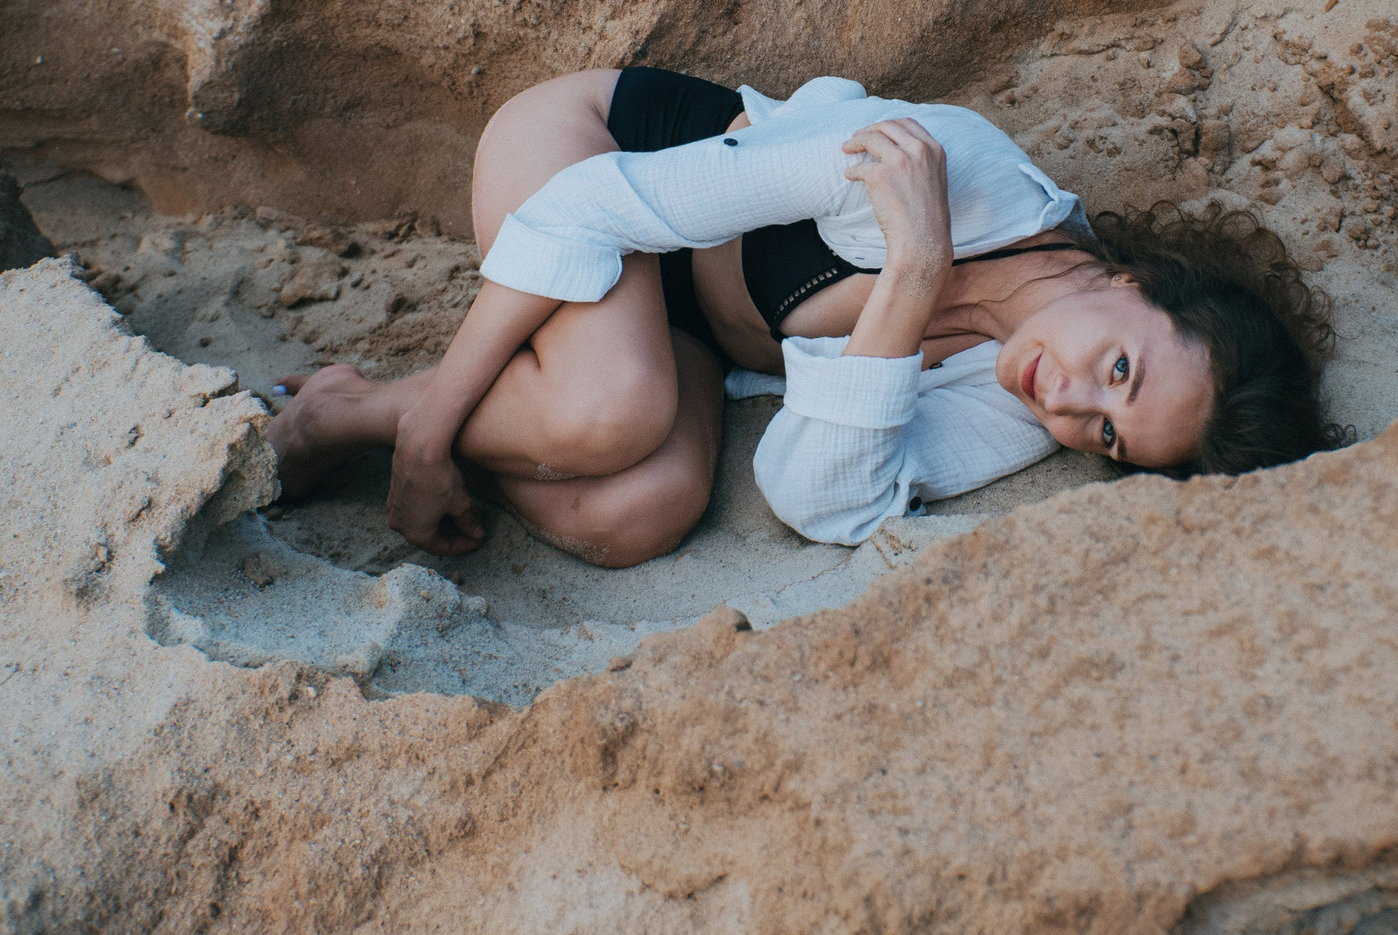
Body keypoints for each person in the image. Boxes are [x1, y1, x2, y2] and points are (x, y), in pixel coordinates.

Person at [266, 68, 1332, 564]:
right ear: (1135, 285)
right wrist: (429, 434)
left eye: (1106, 436)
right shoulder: (935, 161)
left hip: (679, 327)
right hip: (591, 156)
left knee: (633, 514)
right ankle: (360, 418)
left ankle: (478, 406)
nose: (1069, 404)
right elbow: (589, 208)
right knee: (617, 409)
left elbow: (812, 498)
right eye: (1119, 373)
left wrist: (915, 275)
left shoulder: (1025, 399)